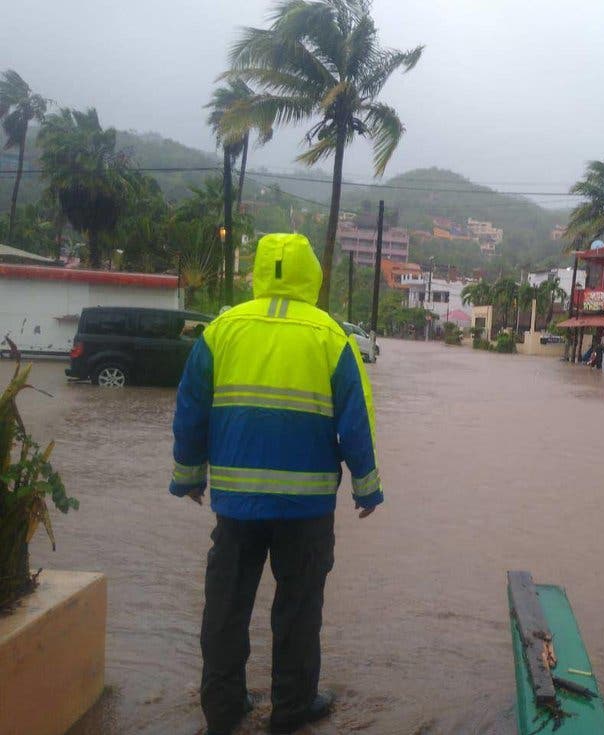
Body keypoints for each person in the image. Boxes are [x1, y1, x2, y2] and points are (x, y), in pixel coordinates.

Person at [169, 233, 383, 735]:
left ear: (260, 271)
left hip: (236, 506)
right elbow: (358, 419)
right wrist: (367, 488)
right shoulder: (331, 336)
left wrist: (188, 476)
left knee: (225, 608)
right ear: (312, 273)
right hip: (305, 508)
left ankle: (222, 711)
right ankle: (291, 711)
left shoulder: (222, 330)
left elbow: (190, 409)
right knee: (299, 611)